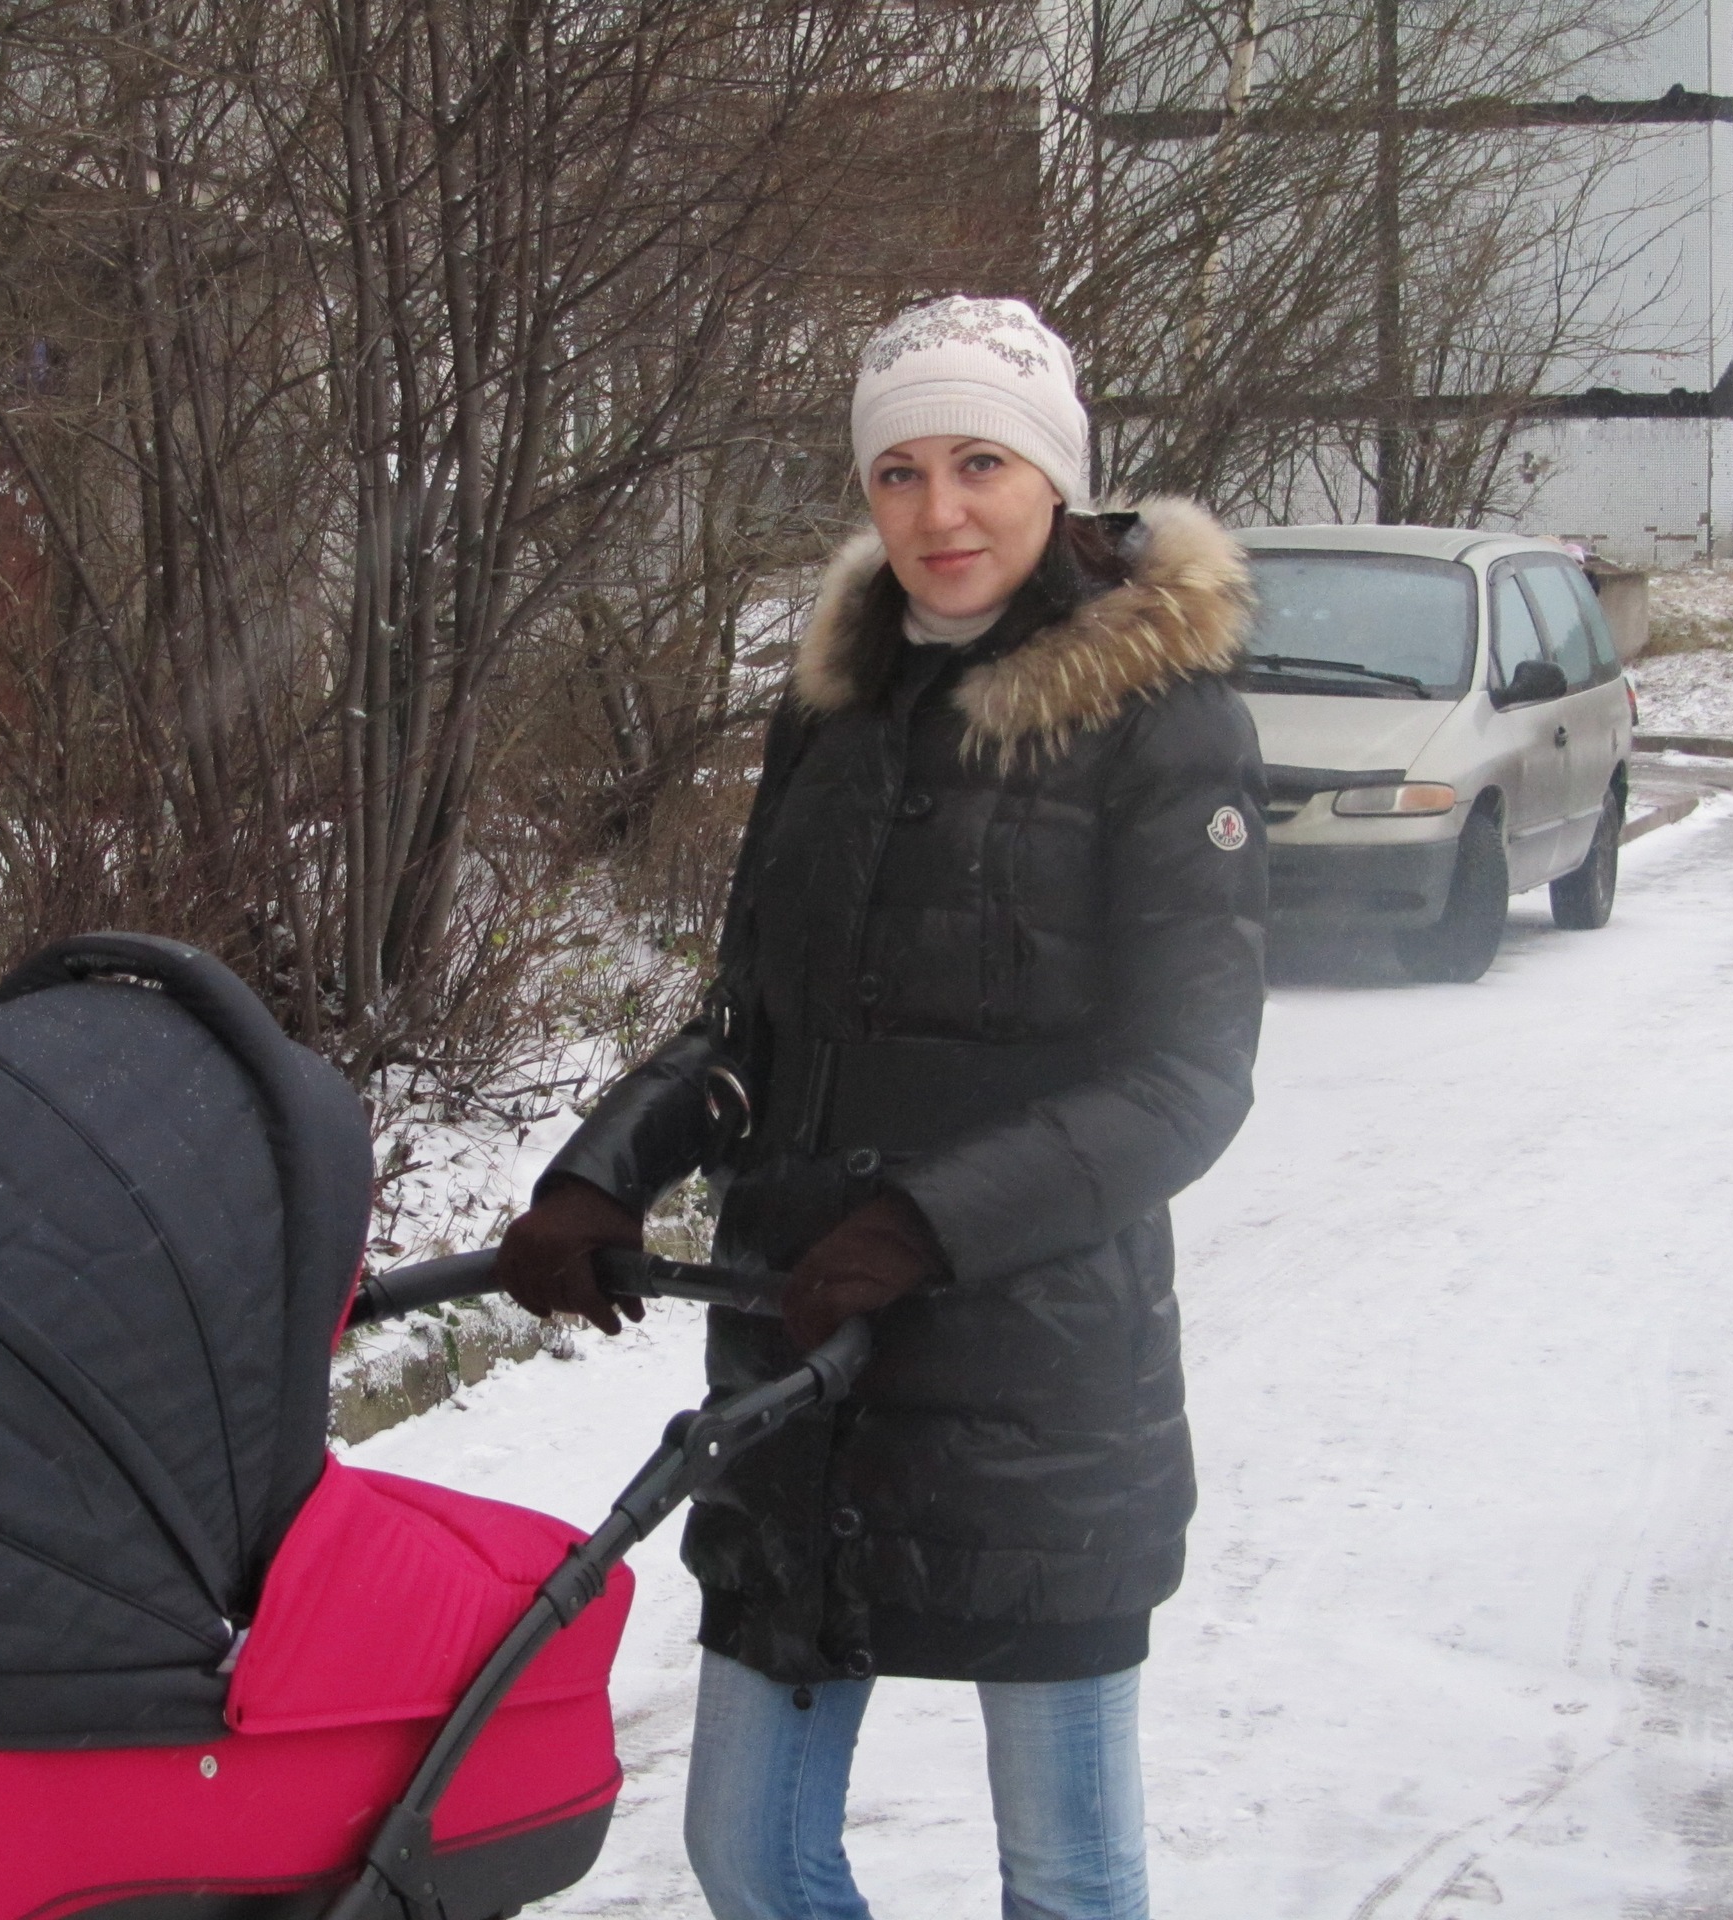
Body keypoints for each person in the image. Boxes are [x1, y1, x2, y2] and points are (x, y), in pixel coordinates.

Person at [497, 294, 1268, 1920]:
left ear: (1056, 473)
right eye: (899, 472)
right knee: (748, 1851)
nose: (939, 512)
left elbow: (1188, 1081)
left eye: (981, 463)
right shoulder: (831, 706)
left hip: (1037, 1378)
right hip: (799, 1362)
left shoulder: (1161, 712)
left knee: (1066, 1878)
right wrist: (602, 1175)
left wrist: (928, 1222)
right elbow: (753, 1024)